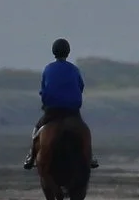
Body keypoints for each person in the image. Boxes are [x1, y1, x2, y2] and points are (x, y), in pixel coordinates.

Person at [26, 38, 96, 169]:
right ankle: (91, 156)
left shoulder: (48, 69)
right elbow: (81, 86)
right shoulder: (74, 69)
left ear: (54, 52)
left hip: (52, 110)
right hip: (72, 110)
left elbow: (44, 89)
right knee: (84, 130)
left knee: (37, 130)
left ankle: (31, 156)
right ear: (68, 52)